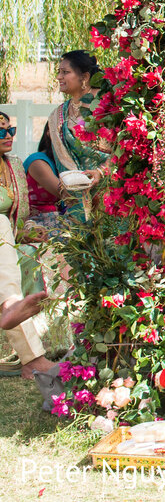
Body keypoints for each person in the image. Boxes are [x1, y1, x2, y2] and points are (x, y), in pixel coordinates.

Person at [0, 111, 57, 381]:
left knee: (40, 250)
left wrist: (33, 232)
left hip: (6, 245)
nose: (8, 136)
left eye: (10, 130)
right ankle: (33, 359)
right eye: (1, 132)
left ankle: (57, 338)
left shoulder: (13, 165)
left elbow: (18, 221)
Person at [47, 51, 110, 222]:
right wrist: (77, 183)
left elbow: (126, 147)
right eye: (59, 72)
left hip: (112, 191)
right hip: (79, 193)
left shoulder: (109, 105)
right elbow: (63, 160)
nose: (59, 77)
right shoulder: (58, 115)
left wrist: (102, 172)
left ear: (85, 77)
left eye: (65, 72)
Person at [23, 125, 67, 240]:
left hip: (61, 223)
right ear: (49, 133)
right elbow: (66, 194)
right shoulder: (38, 162)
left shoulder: (63, 164)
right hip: (38, 226)